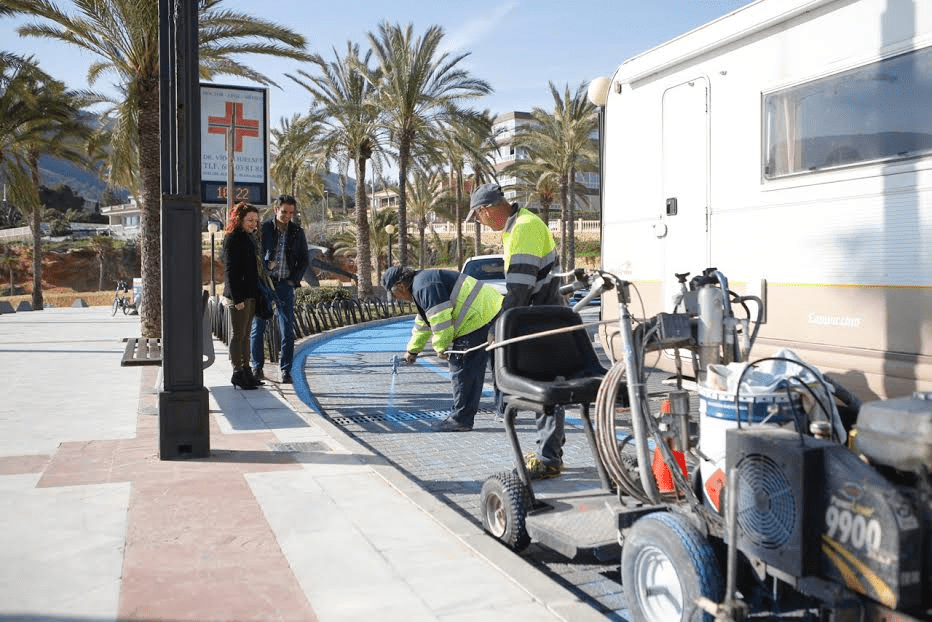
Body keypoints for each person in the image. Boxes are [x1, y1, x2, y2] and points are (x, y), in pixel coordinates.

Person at [467, 183, 564, 478]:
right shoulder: (519, 227)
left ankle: (548, 459)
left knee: (541, 389)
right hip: (543, 316)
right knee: (545, 388)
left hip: (540, 321)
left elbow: (520, 289)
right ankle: (551, 453)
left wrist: (500, 328)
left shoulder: (523, 228)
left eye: (478, 217)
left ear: (487, 209)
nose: (480, 223)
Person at [382, 265, 503, 432]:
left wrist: (441, 347)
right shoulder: (422, 283)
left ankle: (461, 420)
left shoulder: (424, 287)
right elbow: (424, 323)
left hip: (477, 318)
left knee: (462, 367)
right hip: (490, 310)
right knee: (497, 366)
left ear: (401, 286)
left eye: (394, 295)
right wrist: (412, 350)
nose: (397, 299)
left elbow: (440, 321)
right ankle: (505, 410)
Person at [250, 194, 309, 384]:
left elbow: (304, 259)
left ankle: (285, 370)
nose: (287, 215)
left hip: (285, 285)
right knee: (258, 327)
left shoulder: (297, 231)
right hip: (265, 284)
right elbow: (255, 255)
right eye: (284, 211)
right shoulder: (264, 228)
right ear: (276, 209)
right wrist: (266, 266)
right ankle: (256, 367)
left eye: (291, 212)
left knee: (287, 329)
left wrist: (294, 280)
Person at [222, 201, 263, 390]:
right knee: (238, 335)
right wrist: (237, 298)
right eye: (250, 220)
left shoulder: (249, 238)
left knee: (246, 335)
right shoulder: (232, 238)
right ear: (239, 219)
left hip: (249, 294)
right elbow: (230, 271)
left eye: (255, 220)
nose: (253, 223)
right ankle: (237, 371)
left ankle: (246, 369)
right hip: (238, 296)